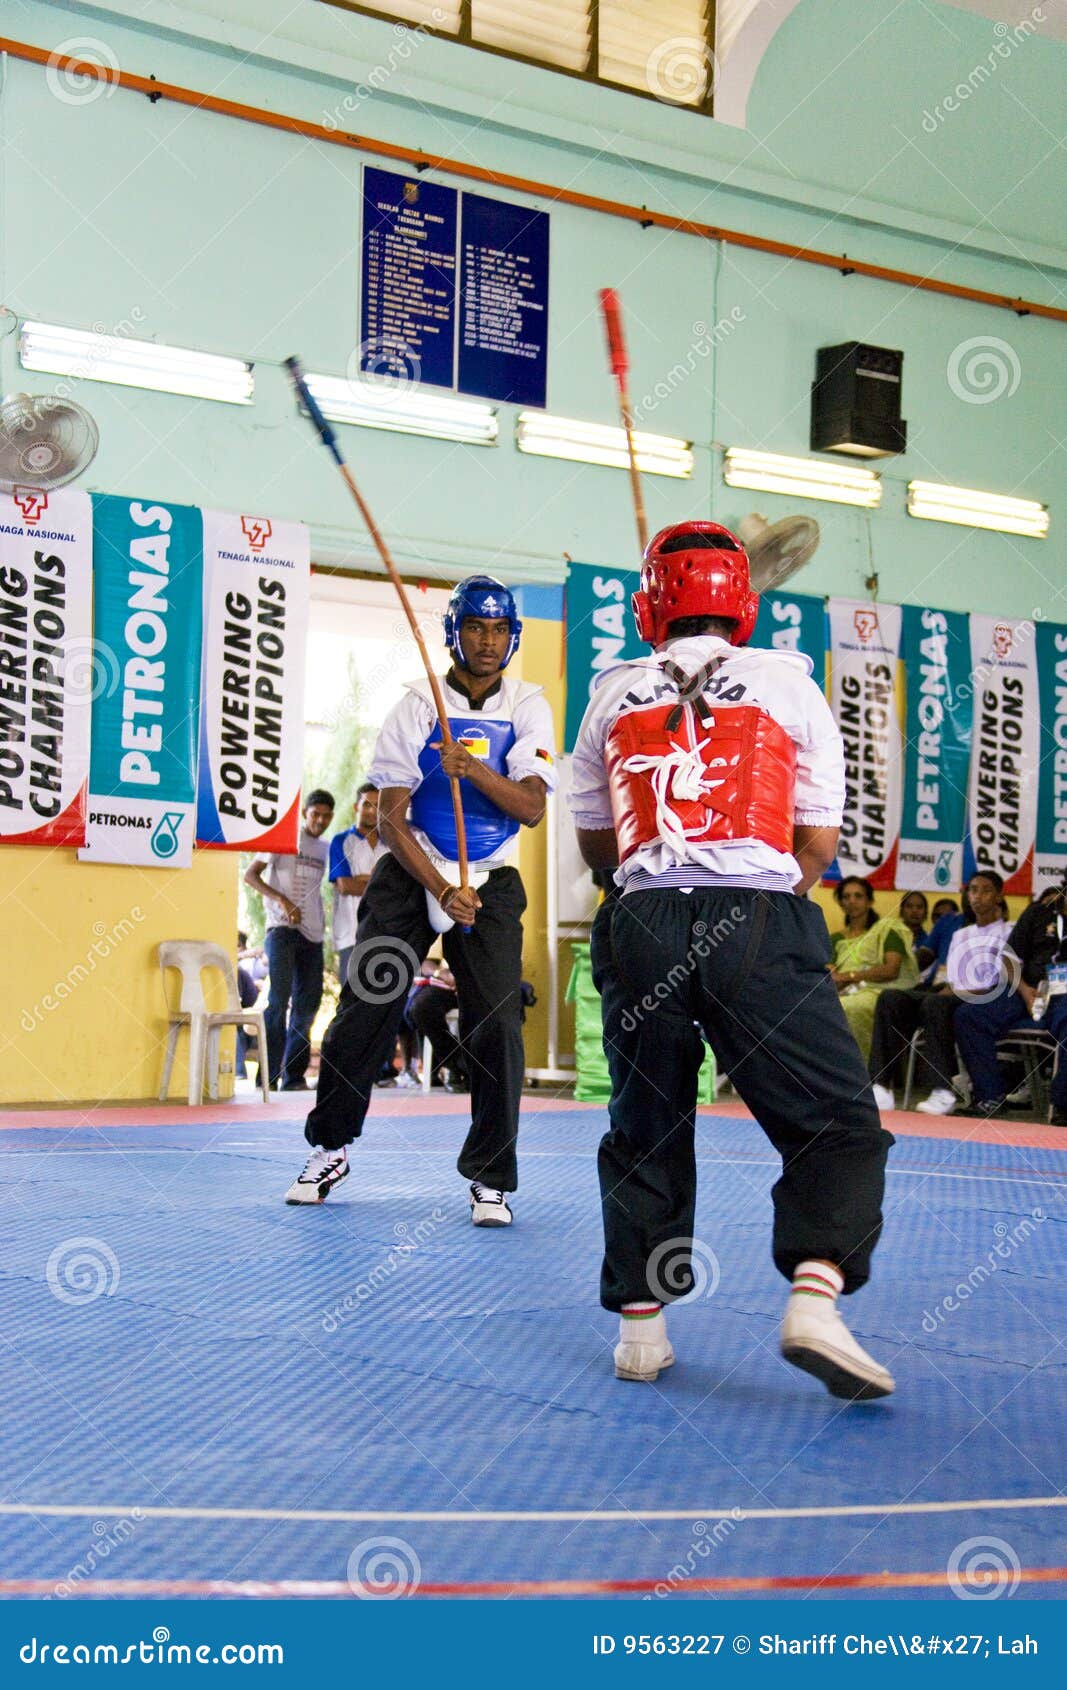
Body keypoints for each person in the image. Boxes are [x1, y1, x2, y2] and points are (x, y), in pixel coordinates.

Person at [570, 520, 894, 1401]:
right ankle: (815, 1300)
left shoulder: (610, 693)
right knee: (836, 1123)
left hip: (639, 923)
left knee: (646, 1125)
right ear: (740, 603)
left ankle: (641, 1330)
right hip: (755, 918)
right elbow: (816, 844)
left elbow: (597, 844)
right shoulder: (793, 685)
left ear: (650, 607)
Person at [284, 576, 556, 1224]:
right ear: (453, 632)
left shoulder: (529, 706)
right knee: (364, 1006)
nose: (486, 642)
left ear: (512, 636)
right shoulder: (414, 705)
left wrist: (473, 768)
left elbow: (532, 807)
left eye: (498, 630)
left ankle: (490, 1179)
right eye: (474, 628)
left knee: (496, 1022)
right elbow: (391, 820)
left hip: (490, 875)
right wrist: (439, 888)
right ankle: (329, 1145)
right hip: (412, 874)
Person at [869, 872, 1010, 1115]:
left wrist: (946, 995)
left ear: (999, 896)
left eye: (986, 890)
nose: (978, 896)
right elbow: (951, 978)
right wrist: (941, 993)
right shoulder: (960, 934)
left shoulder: (1008, 931)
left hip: (984, 996)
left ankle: (942, 1091)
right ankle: (881, 1086)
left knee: (936, 1004)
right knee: (891, 998)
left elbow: (997, 981)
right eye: (973, 890)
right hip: (951, 992)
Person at [955, 877, 1067, 1124]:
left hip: (1064, 995)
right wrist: (1025, 990)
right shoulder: (1039, 912)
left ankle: (1063, 1104)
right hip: (1026, 988)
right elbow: (1007, 958)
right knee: (969, 1015)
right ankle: (990, 1097)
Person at [244, 790, 335, 1091]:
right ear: (305, 813)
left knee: (308, 1004)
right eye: (315, 814)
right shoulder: (284, 838)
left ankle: (294, 1078)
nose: (319, 820)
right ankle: (267, 1076)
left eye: (325, 816)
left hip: (312, 933)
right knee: (278, 1000)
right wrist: (282, 900)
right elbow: (251, 875)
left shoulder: (326, 848)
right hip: (281, 930)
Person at [829, 877, 919, 1063]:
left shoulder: (887, 930)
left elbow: (891, 970)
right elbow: (830, 975)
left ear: (869, 901)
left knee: (845, 1009)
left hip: (878, 992)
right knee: (818, 1009)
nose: (851, 901)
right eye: (846, 897)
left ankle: (861, 1072)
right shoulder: (835, 938)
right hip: (843, 992)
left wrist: (850, 976)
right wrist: (836, 979)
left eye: (858, 896)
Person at [330, 783, 388, 988]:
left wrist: (363, 879)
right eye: (367, 804)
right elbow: (345, 886)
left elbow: (397, 890)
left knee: (380, 1001)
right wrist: (379, 885)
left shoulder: (390, 844)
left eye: (378, 805)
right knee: (350, 1000)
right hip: (350, 935)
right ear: (356, 807)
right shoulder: (341, 841)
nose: (372, 811)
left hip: (385, 934)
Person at [407, 961, 468, 1089]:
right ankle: (459, 1062)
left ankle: (469, 1068)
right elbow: (425, 962)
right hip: (447, 984)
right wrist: (441, 973)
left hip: (483, 980)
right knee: (421, 1006)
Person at [898, 890, 929, 955]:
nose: (914, 910)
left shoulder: (929, 941)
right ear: (901, 911)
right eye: (909, 906)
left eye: (919, 907)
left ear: (925, 913)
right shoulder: (891, 936)